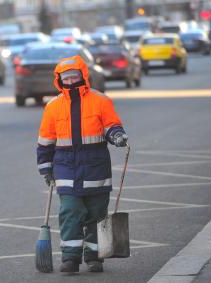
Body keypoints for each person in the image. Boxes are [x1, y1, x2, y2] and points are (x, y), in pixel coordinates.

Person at [36, 55, 128, 273]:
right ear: (59, 80)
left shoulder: (101, 100)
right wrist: (46, 168)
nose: (70, 81)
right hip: (66, 167)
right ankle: (70, 258)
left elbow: (111, 125)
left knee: (97, 213)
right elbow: (46, 141)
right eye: (65, 78)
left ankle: (95, 257)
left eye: (74, 76)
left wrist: (117, 136)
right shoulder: (53, 106)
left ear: (83, 75)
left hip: (96, 167)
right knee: (70, 210)